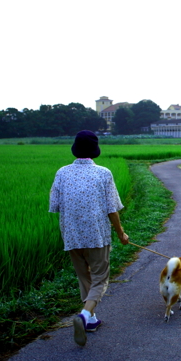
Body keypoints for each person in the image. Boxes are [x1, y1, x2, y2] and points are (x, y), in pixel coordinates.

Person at [49, 130, 129, 347]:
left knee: (84, 276)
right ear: (95, 150)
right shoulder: (103, 173)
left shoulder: (62, 173)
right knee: (101, 278)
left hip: (72, 236)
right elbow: (112, 209)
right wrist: (121, 233)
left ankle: (91, 319)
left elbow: (55, 206)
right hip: (96, 235)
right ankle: (84, 315)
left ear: (75, 149)